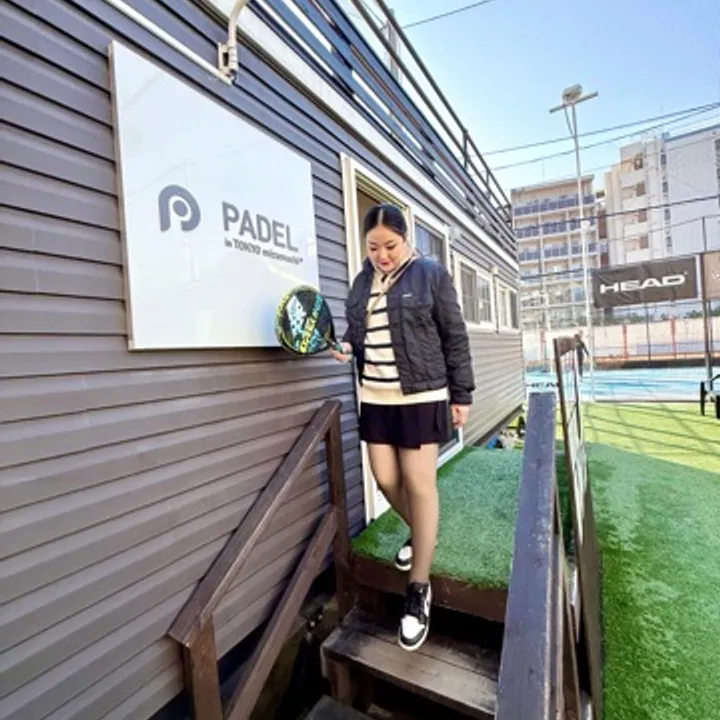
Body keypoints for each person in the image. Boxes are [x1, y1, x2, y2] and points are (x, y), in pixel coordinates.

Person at [330, 202, 474, 651]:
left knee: (417, 481)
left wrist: (462, 395)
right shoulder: (361, 282)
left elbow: (454, 336)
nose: (382, 255)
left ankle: (418, 589)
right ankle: (424, 533)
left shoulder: (430, 274)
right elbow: (359, 332)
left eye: (390, 245)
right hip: (375, 397)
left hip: (421, 395)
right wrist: (346, 347)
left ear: (405, 239)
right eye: (373, 247)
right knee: (386, 478)